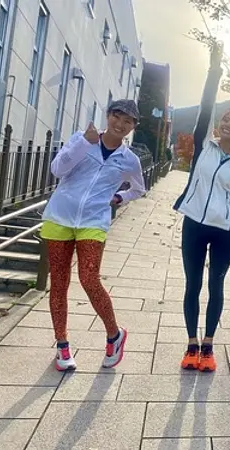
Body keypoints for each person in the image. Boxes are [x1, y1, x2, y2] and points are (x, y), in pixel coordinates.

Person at [41, 99, 146, 371]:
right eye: (116, 116)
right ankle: (62, 346)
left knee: (89, 278)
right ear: (108, 116)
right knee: (59, 283)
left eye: (127, 121)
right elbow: (57, 169)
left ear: (133, 126)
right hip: (59, 217)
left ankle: (114, 334)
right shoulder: (82, 139)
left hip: (94, 221)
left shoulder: (129, 160)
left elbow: (139, 189)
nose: (120, 124)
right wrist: (82, 144)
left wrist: (119, 197)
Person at [173, 43, 230, 373]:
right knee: (192, 285)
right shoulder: (204, 145)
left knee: (215, 287)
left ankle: (208, 346)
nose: (227, 124)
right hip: (194, 224)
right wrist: (214, 69)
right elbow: (206, 107)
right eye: (225, 119)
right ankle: (191, 344)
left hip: (222, 232)